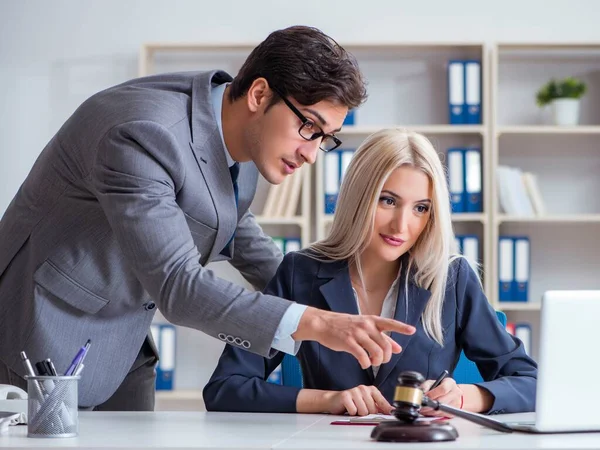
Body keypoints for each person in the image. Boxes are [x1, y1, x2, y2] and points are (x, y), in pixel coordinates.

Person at [0, 26, 417, 411]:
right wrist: (314, 322)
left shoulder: (243, 129)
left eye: (325, 139)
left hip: (121, 335)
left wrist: (328, 297)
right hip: (43, 334)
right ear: (259, 94)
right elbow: (178, 286)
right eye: (309, 127)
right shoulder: (142, 133)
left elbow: (232, 221)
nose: (311, 153)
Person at [203, 129, 537, 416]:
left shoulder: (451, 278)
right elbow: (225, 387)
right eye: (388, 201)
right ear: (360, 198)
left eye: (421, 208)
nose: (401, 225)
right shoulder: (300, 272)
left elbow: (529, 382)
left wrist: (468, 396)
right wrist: (328, 400)